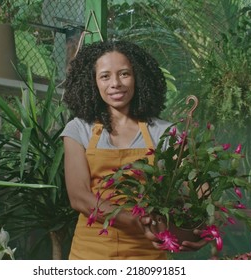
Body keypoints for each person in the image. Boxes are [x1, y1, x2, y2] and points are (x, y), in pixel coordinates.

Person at [61, 40, 208, 260]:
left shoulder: (164, 131)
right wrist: (136, 220)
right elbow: (79, 197)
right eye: (105, 76)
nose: (115, 83)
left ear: (138, 77)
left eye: (124, 74)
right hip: (91, 251)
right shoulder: (79, 129)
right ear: (92, 82)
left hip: (149, 252)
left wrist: (207, 223)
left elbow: (197, 185)